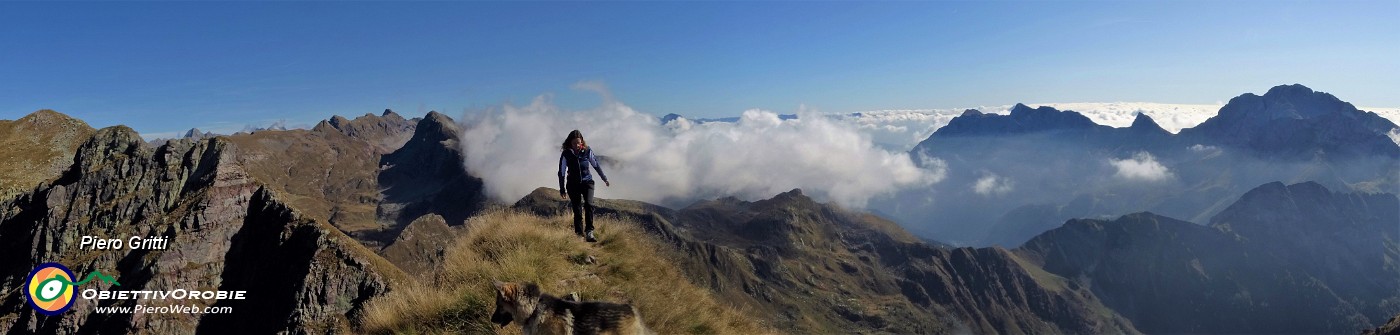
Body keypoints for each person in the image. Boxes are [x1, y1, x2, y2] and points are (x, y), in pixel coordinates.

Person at [558, 130, 610, 242]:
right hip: (573, 185)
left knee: (589, 205)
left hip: (587, 183)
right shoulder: (566, 154)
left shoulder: (587, 150)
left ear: (582, 142)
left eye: (578, 143)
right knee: (577, 210)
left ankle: (589, 232)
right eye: (574, 143)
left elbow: (596, 165)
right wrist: (562, 189)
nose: (576, 145)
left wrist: (604, 178)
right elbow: (561, 172)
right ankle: (579, 235)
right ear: (569, 143)